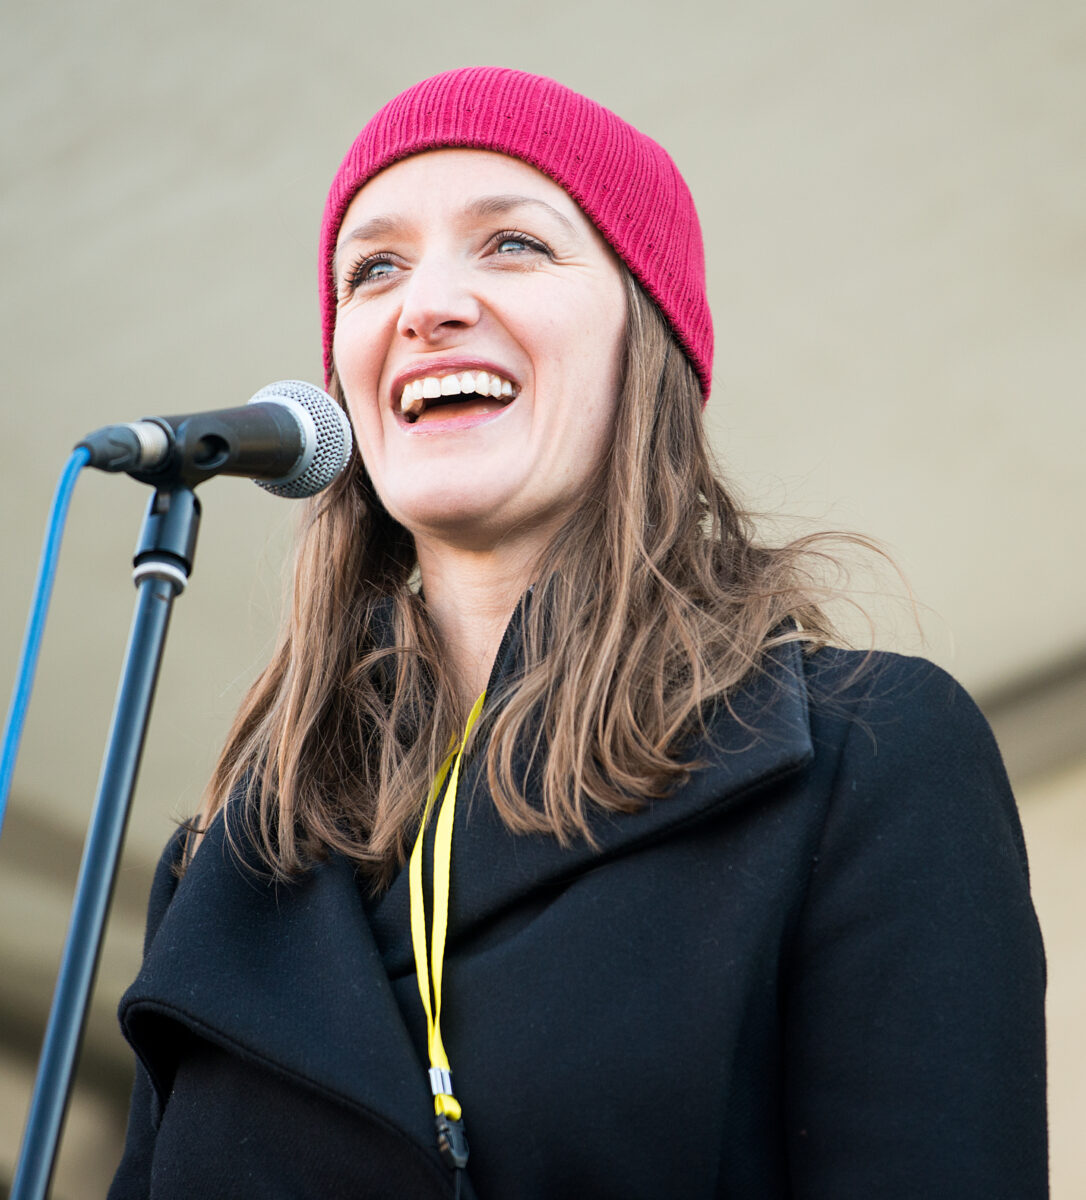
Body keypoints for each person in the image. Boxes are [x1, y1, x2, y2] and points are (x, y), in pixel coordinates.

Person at [109, 67, 1047, 1199]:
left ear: (644, 340)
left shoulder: (871, 754)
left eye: (512, 244)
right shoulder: (227, 872)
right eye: (374, 268)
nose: (426, 305)